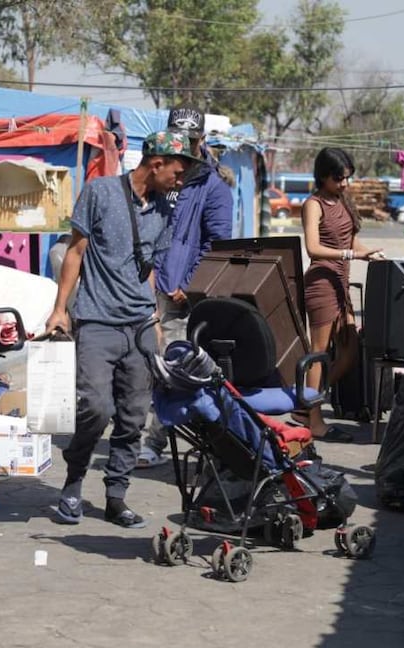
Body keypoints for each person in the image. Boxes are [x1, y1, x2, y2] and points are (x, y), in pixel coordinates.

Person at [43, 131, 199, 528]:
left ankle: (116, 496)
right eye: (178, 173)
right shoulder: (100, 192)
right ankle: (74, 483)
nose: (179, 181)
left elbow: (147, 270)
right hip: (96, 321)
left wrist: (156, 321)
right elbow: (75, 252)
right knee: (96, 407)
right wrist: (59, 309)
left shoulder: (166, 210)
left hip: (140, 325)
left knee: (132, 418)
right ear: (156, 162)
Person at [137, 107, 234, 468]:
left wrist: (191, 284)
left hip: (180, 295)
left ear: (202, 141)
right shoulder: (159, 175)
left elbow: (218, 243)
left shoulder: (213, 187)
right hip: (146, 286)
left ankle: (154, 443)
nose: (182, 146)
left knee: (170, 368)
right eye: (176, 137)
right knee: (144, 364)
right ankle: (138, 436)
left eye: (189, 140)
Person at [300, 148, 384, 441]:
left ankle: (309, 400)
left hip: (341, 281)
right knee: (319, 354)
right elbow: (312, 247)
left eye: (347, 177)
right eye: (338, 178)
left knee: (349, 352)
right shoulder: (314, 204)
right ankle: (313, 418)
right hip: (322, 281)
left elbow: (351, 238)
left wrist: (369, 253)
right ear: (322, 176)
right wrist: (351, 254)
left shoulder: (341, 200)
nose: (344, 183)